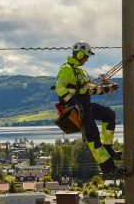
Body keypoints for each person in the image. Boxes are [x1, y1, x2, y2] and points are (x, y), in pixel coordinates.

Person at [54, 41, 126, 177]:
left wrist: (106, 89)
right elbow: (59, 88)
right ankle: (108, 168)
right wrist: (74, 102)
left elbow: (87, 89)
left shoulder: (79, 71)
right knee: (94, 139)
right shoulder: (67, 69)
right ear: (80, 53)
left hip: (86, 106)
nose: (87, 59)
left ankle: (108, 147)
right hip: (78, 110)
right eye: (86, 56)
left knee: (109, 115)